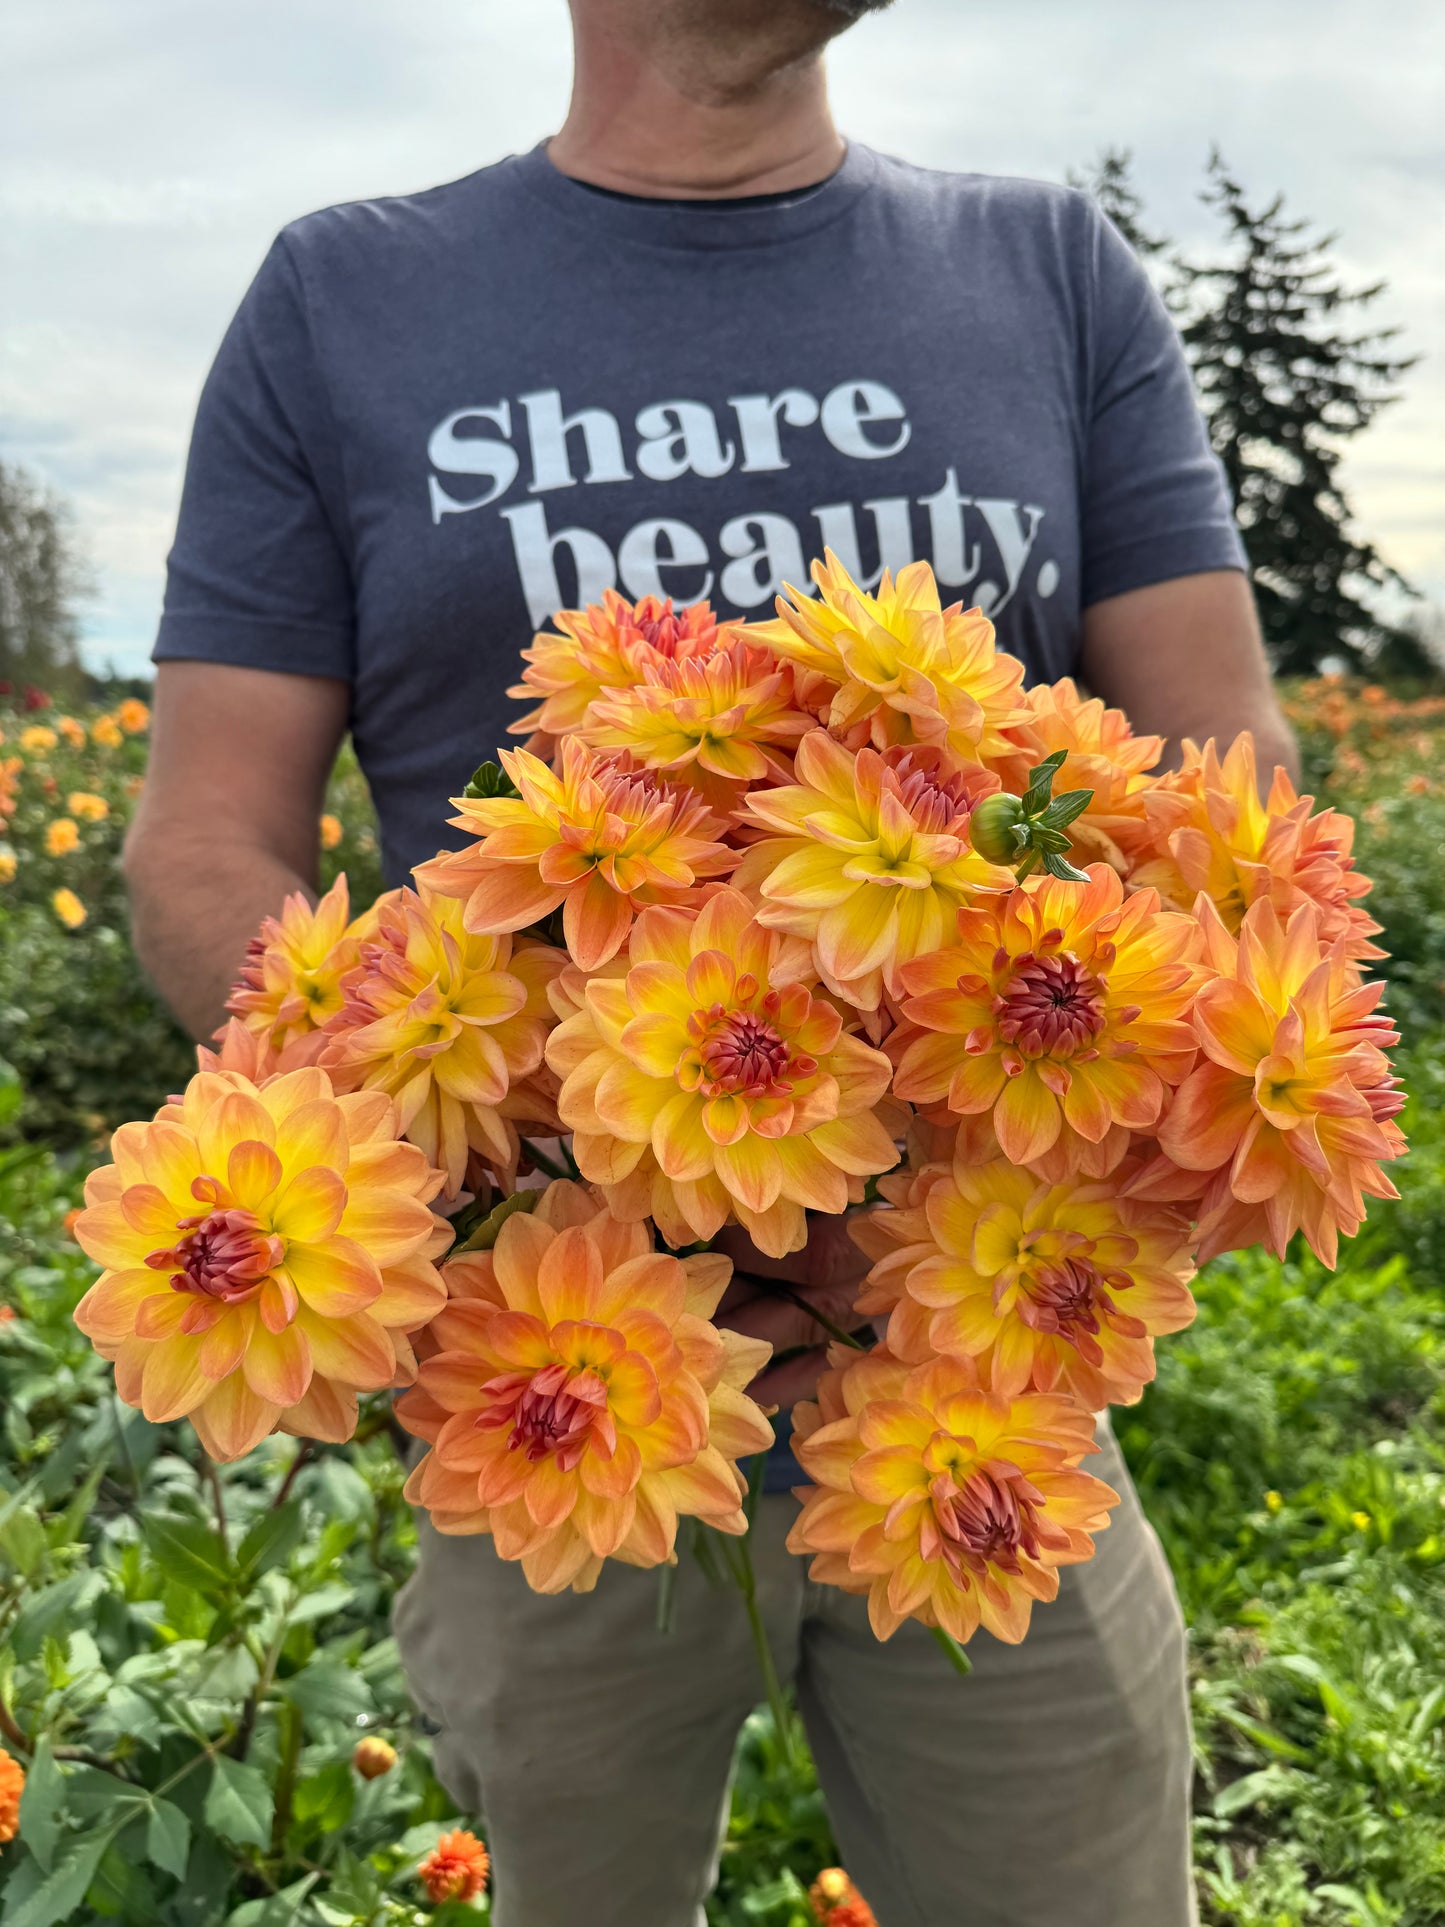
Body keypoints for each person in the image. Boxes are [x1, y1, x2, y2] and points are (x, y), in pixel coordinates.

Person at [127, 2, 1299, 1921]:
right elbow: (201, 837)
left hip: (982, 1364)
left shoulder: (1046, 267)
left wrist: (1052, 1152)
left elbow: (1222, 761)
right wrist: (418, 1165)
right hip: (543, 1371)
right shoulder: (342, 297)